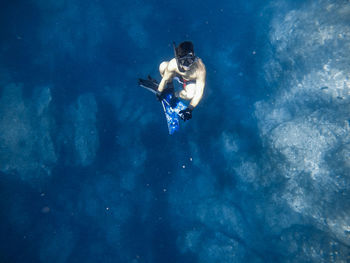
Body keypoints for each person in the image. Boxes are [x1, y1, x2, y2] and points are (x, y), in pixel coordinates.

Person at [157, 41, 206, 121]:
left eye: (190, 60)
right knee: (162, 66)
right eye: (183, 61)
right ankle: (170, 87)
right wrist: (159, 91)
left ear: (194, 57)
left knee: (190, 95)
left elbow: (199, 92)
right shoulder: (173, 64)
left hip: (189, 81)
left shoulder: (200, 69)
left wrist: (189, 109)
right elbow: (165, 78)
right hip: (177, 75)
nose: (187, 65)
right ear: (178, 59)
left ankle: (176, 94)